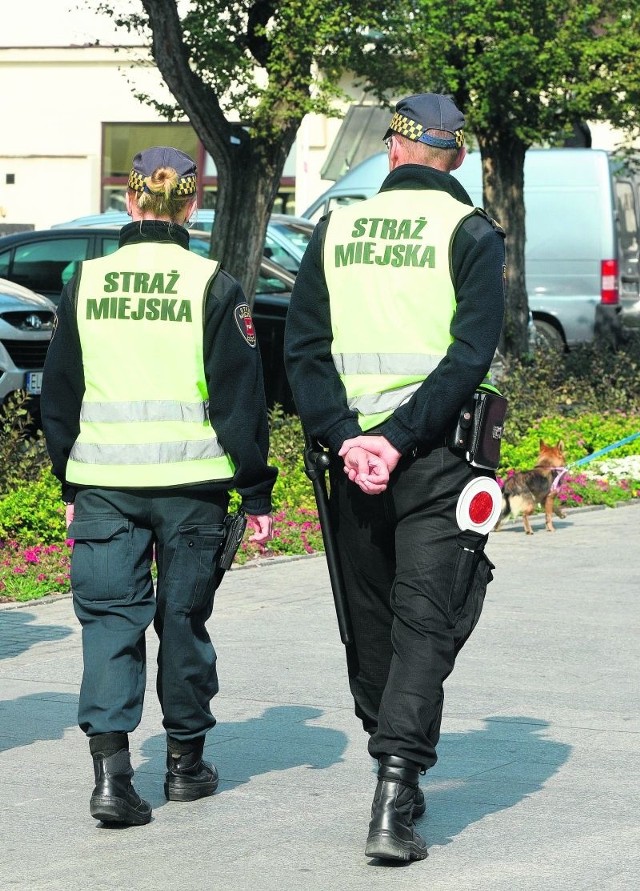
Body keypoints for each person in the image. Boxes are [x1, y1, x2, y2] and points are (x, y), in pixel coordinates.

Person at [284, 94, 506, 862]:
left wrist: (351, 440)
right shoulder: (473, 234)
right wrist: (400, 439)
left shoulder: (336, 227)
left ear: (394, 148)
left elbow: (304, 349)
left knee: (373, 616)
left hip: (350, 467)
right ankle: (395, 792)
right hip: (437, 458)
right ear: (457, 156)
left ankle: (392, 764)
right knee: (426, 618)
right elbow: (468, 355)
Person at [41, 146, 276, 826]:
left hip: (105, 484)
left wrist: (69, 479)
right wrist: (255, 491)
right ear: (194, 204)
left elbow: (60, 393)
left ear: (129, 202)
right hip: (192, 485)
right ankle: (184, 766)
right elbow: (240, 402)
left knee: (109, 622)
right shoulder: (213, 284)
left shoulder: (85, 280)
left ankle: (113, 779)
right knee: (182, 621)